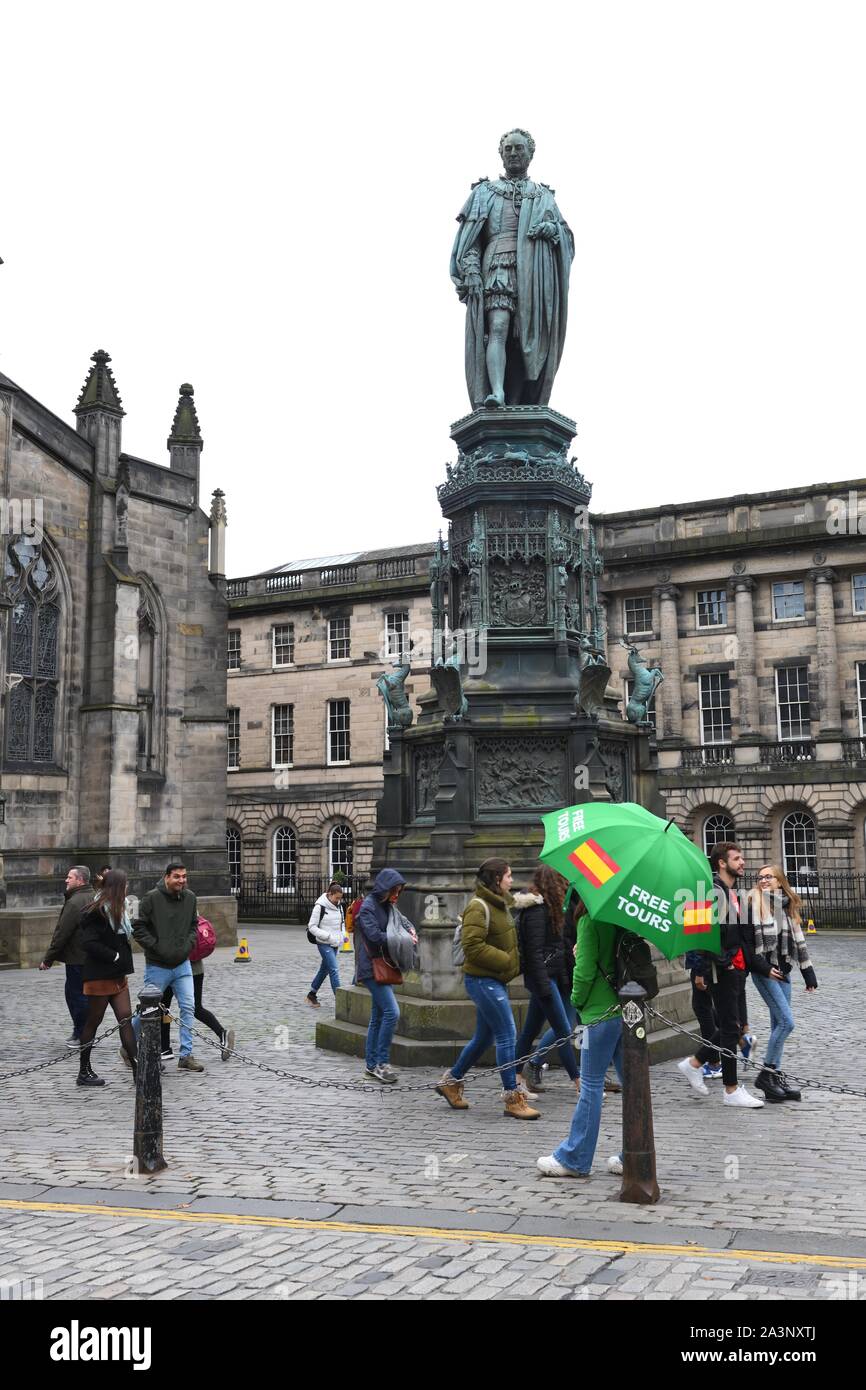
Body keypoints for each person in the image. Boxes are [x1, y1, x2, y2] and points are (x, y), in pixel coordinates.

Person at [451, 129, 573, 409]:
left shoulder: (543, 196)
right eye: (508, 149)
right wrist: (470, 269)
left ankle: (517, 400)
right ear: (501, 154)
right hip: (498, 265)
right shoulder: (484, 193)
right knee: (498, 327)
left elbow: (566, 237)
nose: (514, 153)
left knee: (523, 342)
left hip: (534, 274)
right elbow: (470, 240)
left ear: (530, 154)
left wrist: (552, 230)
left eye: (519, 149)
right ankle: (497, 393)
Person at [436, 858, 538, 1119]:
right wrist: (505, 961)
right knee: (507, 1034)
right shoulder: (478, 907)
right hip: (483, 981)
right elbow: (472, 946)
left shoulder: (499, 904)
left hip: (494, 980)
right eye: (509, 876)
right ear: (496, 879)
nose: (512, 880)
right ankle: (512, 1099)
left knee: (484, 1037)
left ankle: (451, 1082)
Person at [675, 842, 769, 1108]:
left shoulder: (731, 892)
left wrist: (749, 964)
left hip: (734, 968)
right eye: (737, 858)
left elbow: (737, 933)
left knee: (733, 1027)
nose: (743, 862)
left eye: (742, 858)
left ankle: (694, 1064)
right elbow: (698, 931)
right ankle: (730, 1089)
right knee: (730, 1027)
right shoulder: (708, 891)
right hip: (722, 969)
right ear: (721, 863)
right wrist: (717, 964)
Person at [537, 910, 623, 1178]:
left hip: (599, 1012)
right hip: (625, 1011)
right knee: (632, 1086)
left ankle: (575, 1158)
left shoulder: (590, 921)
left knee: (591, 1086)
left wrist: (576, 1001)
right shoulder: (621, 918)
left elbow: (584, 974)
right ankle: (634, 1153)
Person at [748, 865, 818, 1102]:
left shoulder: (786, 906)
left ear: (779, 881)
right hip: (765, 972)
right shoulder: (754, 904)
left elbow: (798, 940)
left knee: (778, 1023)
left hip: (784, 970)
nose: (764, 880)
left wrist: (808, 973)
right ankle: (766, 1073)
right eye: (761, 877)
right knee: (787, 1023)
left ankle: (774, 1079)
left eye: (768, 876)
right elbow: (749, 947)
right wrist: (766, 969)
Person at [513, 868, 580, 1096]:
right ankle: (580, 1083)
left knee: (530, 1031)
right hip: (543, 981)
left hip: (549, 978)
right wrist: (544, 988)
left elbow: (555, 949)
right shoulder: (537, 912)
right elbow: (534, 954)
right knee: (563, 1031)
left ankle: (516, 1080)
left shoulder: (548, 909)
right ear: (554, 884)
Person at [131, 863, 203, 1072]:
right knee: (148, 1009)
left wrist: (188, 944)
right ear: (166, 878)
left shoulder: (190, 897)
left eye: (184, 876)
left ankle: (186, 1055)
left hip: (182, 965)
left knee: (189, 1007)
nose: (181, 880)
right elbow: (138, 927)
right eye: (177, 876)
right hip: (158, 966)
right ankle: (128, 1045)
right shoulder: (151, 898)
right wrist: (156, 946)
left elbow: (193, 925)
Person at [75, 870, 137, 1088]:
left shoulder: (119, 910)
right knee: (94, 1021)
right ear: (118, 887)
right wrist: (115, 955)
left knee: (125, 1018)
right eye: (125, 885)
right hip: (100, 976)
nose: (127, 888)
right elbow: (89, 943)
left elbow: (126, 935)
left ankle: (138, 1069)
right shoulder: (97, 911)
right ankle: (84, 1071)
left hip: (118, 976)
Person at [354, 869, 410, 1084]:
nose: (397, 895)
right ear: (385, 889)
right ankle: (382, 1063)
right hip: (372, 968)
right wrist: (402, 939)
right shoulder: (369, 906)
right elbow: (375, 936)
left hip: (384, 965)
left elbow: (400, 926)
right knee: (391, 1013)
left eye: (399, 892)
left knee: (378, 1017)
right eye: (394, 891)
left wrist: (407, 933)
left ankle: (371, 1065)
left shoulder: (388, 906)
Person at [159, 917, 235, 1063]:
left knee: (163, 1007)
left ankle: (165, 1048)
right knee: (194, 1008)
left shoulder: (172, 907)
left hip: (176, 967)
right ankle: (222, 1033)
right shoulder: (189, 904)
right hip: (196, 967)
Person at [39, 866, 93, 1048]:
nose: (66, 880)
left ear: (80, 880)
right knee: (83, 996)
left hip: (77, 958)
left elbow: (62, 933)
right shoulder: (94, 896)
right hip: (91, 957)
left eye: (70, 877)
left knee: (76, 996)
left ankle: (82, 1035)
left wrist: (48, 959)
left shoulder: (75, 902)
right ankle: (83, 1032)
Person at [305, 882, 345, 1008]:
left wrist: (342, 935)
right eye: (336, 898)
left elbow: (342, 923)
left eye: (340, 898)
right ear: (330, 894)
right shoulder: (319, 906)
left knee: (325, 969)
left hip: (335, 943)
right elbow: (311, 926)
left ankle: (312, 994)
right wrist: (327, 936)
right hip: (323, 943)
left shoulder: (339, 906)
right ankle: (341, 1002)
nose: (338, 900)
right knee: (334, 969)